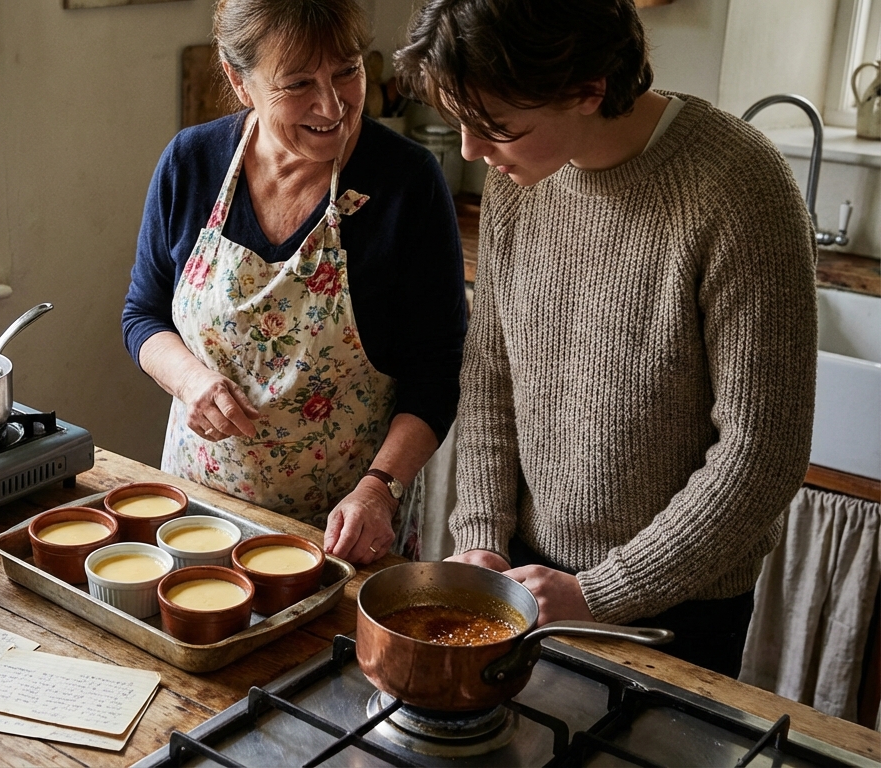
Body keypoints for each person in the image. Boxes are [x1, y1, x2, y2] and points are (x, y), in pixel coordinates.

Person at [394, 0, 817, 676]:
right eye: (462, 123)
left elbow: (761, 451)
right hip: (528, 575)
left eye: (496, 126)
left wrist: (600, 593)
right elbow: (490, 377)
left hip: (680, 603)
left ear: (589, 91)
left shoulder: (740, 187)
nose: (471, 152)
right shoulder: (521, 176)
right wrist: (481, 538)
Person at [122, 0, 467, 565]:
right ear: (240, 80)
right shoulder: (191, 163)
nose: (331, 105)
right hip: (198, 514)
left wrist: (380, 489)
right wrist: (189, 381)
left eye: (349, 71)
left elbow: (435, 372)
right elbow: (143, 315)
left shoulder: (407, 184)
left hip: (345, 533)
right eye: (299, 82)